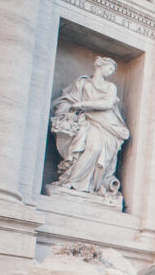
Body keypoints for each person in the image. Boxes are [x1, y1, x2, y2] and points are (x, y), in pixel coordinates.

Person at [50, 55, 131, 197]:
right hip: (86, 120)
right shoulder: (82, 83)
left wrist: (82, 105)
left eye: (113, 70)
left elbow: (107, 104)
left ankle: (87, 185)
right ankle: (72, 181)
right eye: (110, 68)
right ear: (100, 65)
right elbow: (68, 100)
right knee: (91, 147)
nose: (111, 72)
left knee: (96, 148)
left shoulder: (110, 87)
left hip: (105, 122)